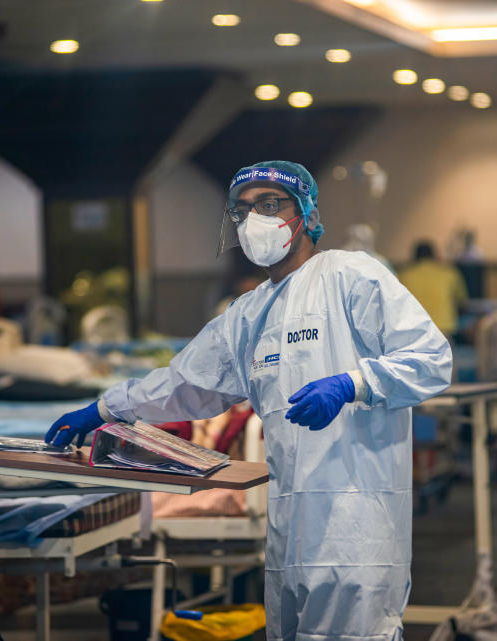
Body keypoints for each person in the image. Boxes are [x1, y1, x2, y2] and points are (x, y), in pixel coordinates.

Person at [47, 160, 452, 640]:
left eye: (269, 204)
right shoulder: (247, 313)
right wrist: (105, 409)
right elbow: (185, 384)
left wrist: (352, 384)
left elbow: (430, 358)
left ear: (306, 213)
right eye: (243, 210)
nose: (254, 219)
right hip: (289, 524)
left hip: (356, 521)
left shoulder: (350, 275)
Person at [398, 241, 468, 337]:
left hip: (414, 327)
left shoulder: (404, 275)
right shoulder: (449, 273)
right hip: (444, 326)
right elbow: (461, 300)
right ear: (435, 256)